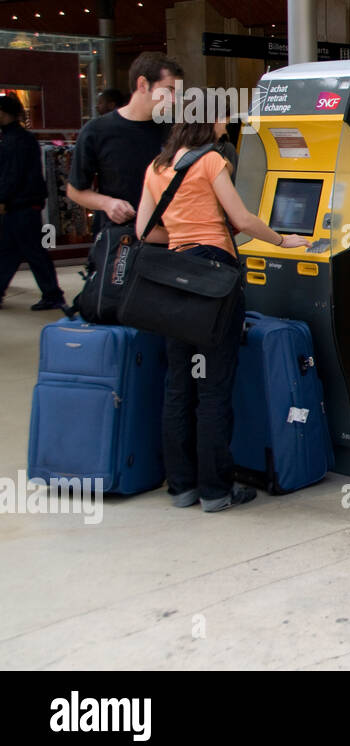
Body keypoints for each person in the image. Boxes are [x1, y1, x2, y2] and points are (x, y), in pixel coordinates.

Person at [135, 119, 309, 512]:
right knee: (213, 387)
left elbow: (145, 230)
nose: (224, 124)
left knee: (179, 384)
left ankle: (181, 487)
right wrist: (284, 239)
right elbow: (243, 220)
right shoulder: (212, 162)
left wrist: (183, 237)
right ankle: (216, 491)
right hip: (214, 276)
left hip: (175, 279)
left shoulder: (156, 166)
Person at [69, 53, 179, 235]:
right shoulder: (97, 131)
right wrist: (107, 203)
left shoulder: (175, 130)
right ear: (142, 84)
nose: (173, 99)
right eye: (168, 90)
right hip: (119, 240)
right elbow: (75, 190)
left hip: (167, 239)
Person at [0, 94, 65, 310]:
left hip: (21, 203)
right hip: (24, 203)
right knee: (12, 250)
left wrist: (2, 198)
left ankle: (53, 294)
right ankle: (51, 293)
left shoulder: (14, 141)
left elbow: (11, 175)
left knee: (30, 251)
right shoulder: (20, 138)